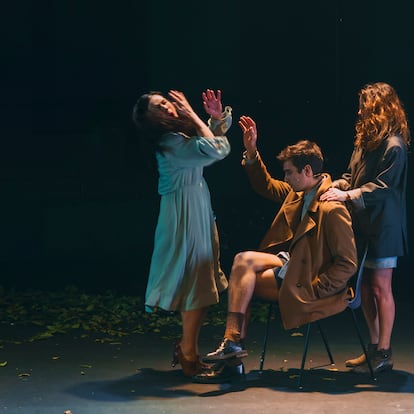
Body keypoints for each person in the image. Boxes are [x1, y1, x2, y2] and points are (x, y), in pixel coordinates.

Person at [194, 115, 357, 383]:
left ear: (307, 171)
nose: (286, 178)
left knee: (242, 280)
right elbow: (265, 185)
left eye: (289, 172)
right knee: (243, 262)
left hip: (308, 280)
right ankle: (232, 345)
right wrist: (251, 152)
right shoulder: (298, 193)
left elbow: (348, 263)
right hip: (290, 266)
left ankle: (232, 356)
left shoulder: (331, 206)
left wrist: (316, 288)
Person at [131, 89, 232, 378]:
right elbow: (218, 150)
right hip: (183, 215)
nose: (168, 107)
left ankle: (188, 347)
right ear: (151, 119)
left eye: (166, 102)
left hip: (195, 206)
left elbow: (207, 142)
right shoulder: (170, 143)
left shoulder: (176, 138)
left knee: (200, 284)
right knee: (196, 285)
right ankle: (188, 351)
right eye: (160, 106)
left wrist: (212, 119)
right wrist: (191, 113)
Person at [320, 82, 410, 375]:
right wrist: (335, 184)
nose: (359, 110)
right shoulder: (365, 142)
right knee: (366, 288)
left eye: (363, 105)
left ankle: (384, 351)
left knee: (381, 287)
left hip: (384, 226)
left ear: (378, 107)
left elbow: (383, 188)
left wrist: (348, 195)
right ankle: (373, 348)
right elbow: (351, 176)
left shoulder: (394, 145)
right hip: (364, 225)